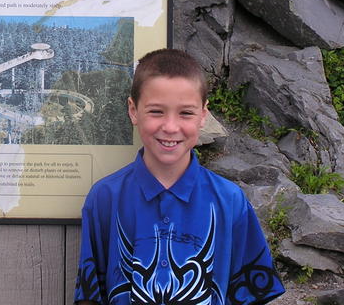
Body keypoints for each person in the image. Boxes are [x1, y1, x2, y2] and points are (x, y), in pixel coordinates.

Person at [74, 49, 285, 305]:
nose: (171, 127)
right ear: (133, 110)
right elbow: (90, 294)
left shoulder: (230, 200)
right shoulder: (105, 197)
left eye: (186, 113)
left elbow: (250, 293)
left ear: (203, 115)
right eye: (156, 112)